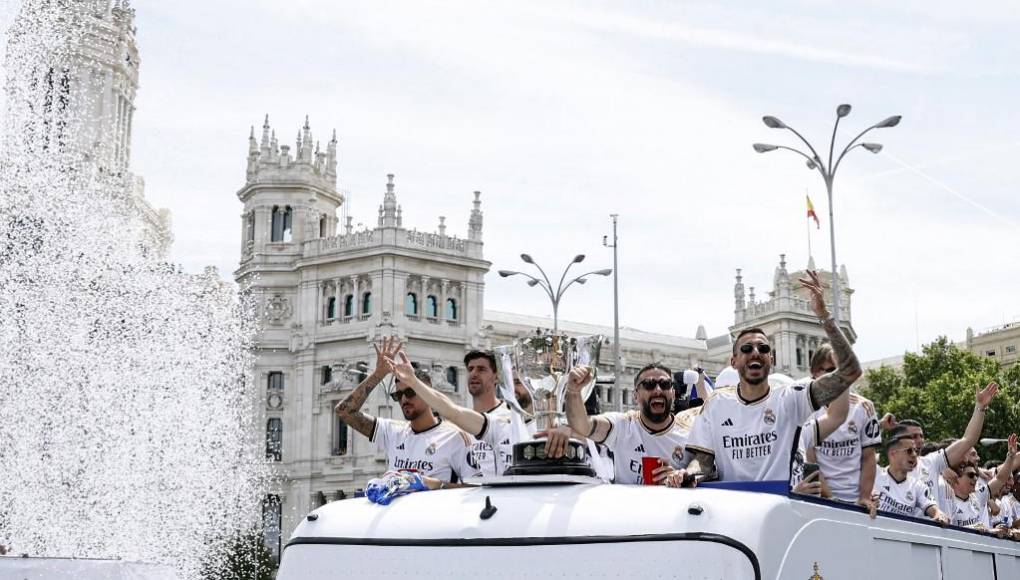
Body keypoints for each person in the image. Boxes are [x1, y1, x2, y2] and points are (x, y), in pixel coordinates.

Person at [680, 271, 862, 484]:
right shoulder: (716, 404)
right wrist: (688, 474)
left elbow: (850, 371)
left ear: (771, 359)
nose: (755, 352)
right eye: (747, 348)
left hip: (780, 509)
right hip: (732, 508)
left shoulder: (792, 399)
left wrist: (825, 318)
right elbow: (703, 462)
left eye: (763, 348)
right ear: (734, 361)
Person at [382, 349, 576, 477]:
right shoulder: (499, 425)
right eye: (513, 382)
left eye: (521, 382)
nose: (516, 388)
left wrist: (570, 430)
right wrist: (414, 383)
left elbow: (588, 429)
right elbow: (452, 411)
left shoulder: (553, 426)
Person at [334, 336, 480, 485]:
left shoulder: (455, 437)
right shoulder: (393, 432)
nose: (404, 399)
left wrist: (435, 485)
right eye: (398, 395)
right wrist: (378, 374)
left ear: (426, 391)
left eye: (410, 392)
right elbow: (344, 412)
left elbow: (475, 488)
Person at [565, 362, 695, 485]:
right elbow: (583, 426)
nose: (657, 390)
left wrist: (682, 477)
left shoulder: (690, 433)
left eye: (665, 384)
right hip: (628, 507)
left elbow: (704, 469)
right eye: (649, 384)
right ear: (636, 396)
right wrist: (574, 391)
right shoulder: (622, 426)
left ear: (672, 393)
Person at [881, 381, 999, 507]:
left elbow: (968, 440)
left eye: (921, 436)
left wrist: (980, 408)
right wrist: (880, 425)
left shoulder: (931, 462)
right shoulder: (882, 477)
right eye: (913, 436)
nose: (920, 440)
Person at [799, 343, 881, 509]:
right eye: (831, 370)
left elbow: (868, 458)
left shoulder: (864, 407)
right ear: (815, 373)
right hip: (822, 499)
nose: (839, 376)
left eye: (843, 369)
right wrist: (830, 498)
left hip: (857, 499)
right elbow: (811, 459)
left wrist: (864, 497)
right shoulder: (805, 409)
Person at [938, 434, 1016, 534]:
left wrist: (1011, 456)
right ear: (957, 476)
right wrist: (971, 528)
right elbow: (946, 531)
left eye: (976, 475)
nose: (975, 478)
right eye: (970, 475)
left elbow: (1000, 479)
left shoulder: (978, 496)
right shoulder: (946, 497)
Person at [873, 435, 950, 524]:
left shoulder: (918, 486)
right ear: (893, 454)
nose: (914, 455)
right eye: (909, 451)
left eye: (915, 451)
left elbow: (933, 508)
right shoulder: (875, 474)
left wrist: (939, 515)